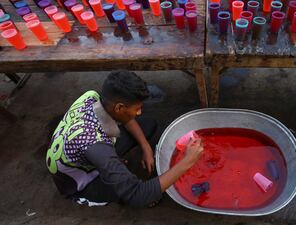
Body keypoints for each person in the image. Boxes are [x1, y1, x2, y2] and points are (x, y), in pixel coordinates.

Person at [46, 70, 203, 207]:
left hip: (84, 151)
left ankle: (114, 167)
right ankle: (99, 192)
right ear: (119, 107)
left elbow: (125, 119)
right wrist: (188, 160)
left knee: (148, 124)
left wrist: (146, 147)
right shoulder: (96, 146)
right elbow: (137, 194)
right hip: (80, 183)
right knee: (142, 195)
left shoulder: (91, 96)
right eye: (137, 108)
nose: (140, 112)